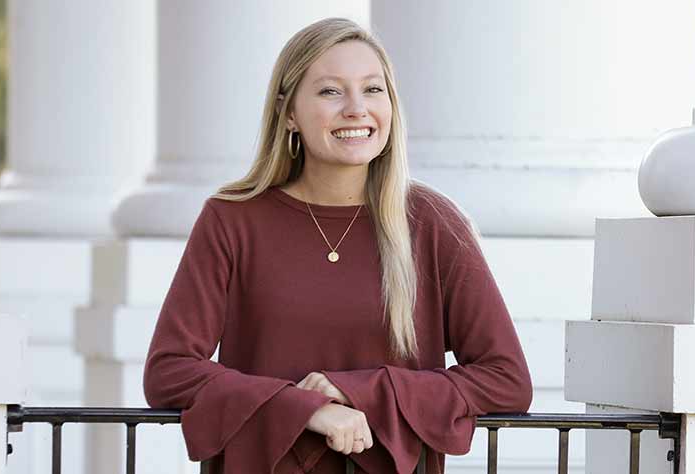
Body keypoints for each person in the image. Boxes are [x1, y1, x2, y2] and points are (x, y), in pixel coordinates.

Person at [142, 17, 532, 474]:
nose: (356, 109)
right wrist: (304, 408)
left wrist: (357, 391)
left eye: (372, 89)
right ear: (289, 113)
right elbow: (169, 371)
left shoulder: (432, 222)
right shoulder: (232, 219)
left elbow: (505, 379)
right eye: (331, 91)